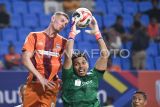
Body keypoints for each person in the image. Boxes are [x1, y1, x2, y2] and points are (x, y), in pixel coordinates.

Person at [22, 12, 69, 107]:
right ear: (53, 18)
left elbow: (67, 63)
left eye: (65, 24)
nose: (63, 25)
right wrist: (41, 78)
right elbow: (25, 59)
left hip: (51, 85)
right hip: (34, 84)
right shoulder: (34, 36)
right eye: (62, 21)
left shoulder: (64, 42)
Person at [61, 16, 109, 107]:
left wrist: (97, 33)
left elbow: (105, 55)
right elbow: (68, 55)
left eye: (83, 62)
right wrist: (72, 34)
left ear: (88, 64)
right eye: (76, 64)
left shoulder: (94, 75)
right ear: (72, 67)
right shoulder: (68, 76)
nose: (81, 66)